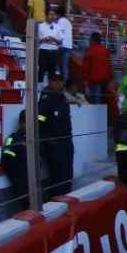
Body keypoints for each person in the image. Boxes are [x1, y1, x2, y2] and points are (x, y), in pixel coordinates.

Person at [38, 70, 74, 199]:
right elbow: (40, 122)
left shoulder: (64, 98)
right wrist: (46, 141)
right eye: (55, 80)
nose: (59, 83)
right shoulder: (45, 99)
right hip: (53, 142)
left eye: (61, 80)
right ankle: (56, 199)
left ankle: (67, 196)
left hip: (66, 140)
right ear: (50, 82)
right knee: (57, 175)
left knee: (68, 172)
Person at [0, 109, 30, 212]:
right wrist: (18, 177)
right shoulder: (13, 139)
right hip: (21, 182)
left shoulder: (36, 137)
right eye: (26, 123)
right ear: (21, 123)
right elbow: (6, 161)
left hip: (34, 181)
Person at [82, 32, 113, 104]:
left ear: (92, 40)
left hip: (94, 81)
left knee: (95, 103)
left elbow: (86, 67)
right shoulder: (105, 50)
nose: (89, 41)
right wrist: (110, 78)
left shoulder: (89, 50)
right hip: (105, 81)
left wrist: (85, 80)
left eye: (90, 39)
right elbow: (109, 66)